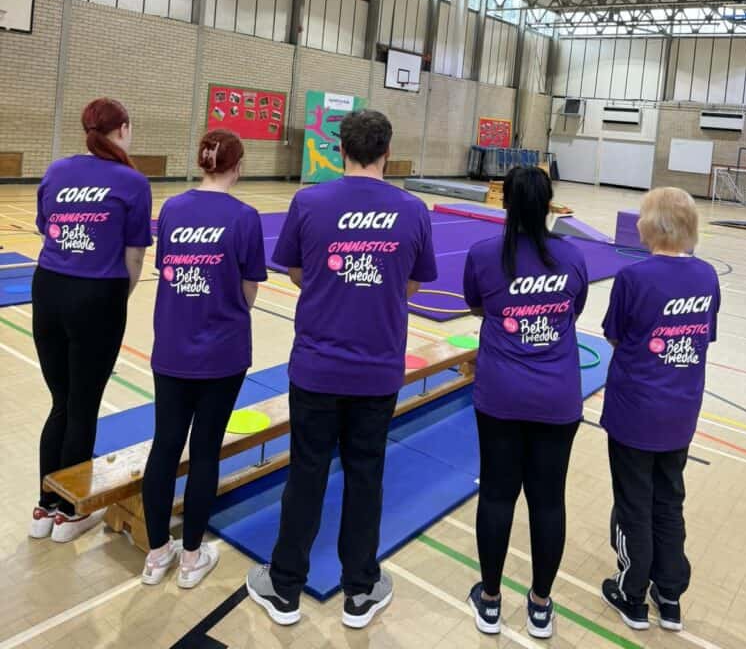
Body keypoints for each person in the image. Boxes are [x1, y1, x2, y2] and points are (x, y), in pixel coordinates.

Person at [246, 109, 437, 629]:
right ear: (386, 149)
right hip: (376, 369)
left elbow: (295, 271)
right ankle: (360, 588)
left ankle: (285, 587)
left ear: (340, 149)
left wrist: (339, 283)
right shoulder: (413, 209)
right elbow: (415, 285)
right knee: (365, 474)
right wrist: (374, 283)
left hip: (317, 368)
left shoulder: (309, 201)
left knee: (306, 472)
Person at [463, 166, 588, 640]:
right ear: (550, 203)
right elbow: (573, 311)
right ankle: (539, 605)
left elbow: (478, 305)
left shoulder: (483, 255)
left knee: (496, 494)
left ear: (505, 202)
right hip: (557, 398)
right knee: (547, 500)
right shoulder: (573, 258)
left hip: (501, 396)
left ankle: (490, 601)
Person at [141, 130, 266, 589]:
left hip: (172, 347)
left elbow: (170, 273)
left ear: (201, 163)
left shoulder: (172, 209)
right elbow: (249, 290)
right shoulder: (244, 217)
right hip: (222, 351)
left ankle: (157, 555)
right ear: (239, 165)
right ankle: (191, 557)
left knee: (166, 445)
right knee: (206, 450)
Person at [31, 98, 152, 543]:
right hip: (95, 296)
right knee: (82, 404)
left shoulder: (57, 171)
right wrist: (112, 298)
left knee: (60, 402)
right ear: (121, 129)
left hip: (48, 290)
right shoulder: (132, 181)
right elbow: (134, 256)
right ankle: (71, 510)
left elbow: (47, 227)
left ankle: (45, 507)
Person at [600, 187, 719, 633]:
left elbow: (614, 335)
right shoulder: (707, 276)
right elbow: (701, 338)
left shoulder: (635, 277)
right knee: (669, 499)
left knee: (635, 502)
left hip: (637, 410)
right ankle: (669, 594)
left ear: (650, 226)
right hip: (681, 409)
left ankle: (632, 592)